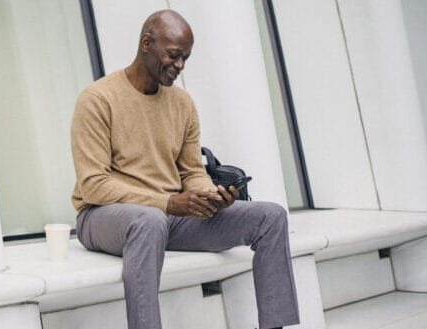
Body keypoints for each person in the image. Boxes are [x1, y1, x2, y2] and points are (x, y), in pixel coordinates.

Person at [70, 9, 299, 329]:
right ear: (147, 43)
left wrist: (210, 196)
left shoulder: (183, 104)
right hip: (103, 216)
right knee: (148, 220)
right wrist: (166, 203)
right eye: (174, 56)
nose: (179, 66)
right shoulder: (97, 99)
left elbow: (192, 170)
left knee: (271, 216)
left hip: (168, 217)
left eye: (185, 58)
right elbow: (94, 184)